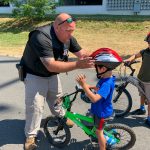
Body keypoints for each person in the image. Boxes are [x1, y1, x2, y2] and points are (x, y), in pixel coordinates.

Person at [20, 13, 95, 150]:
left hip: (52, 75)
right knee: (35, 107)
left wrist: (97, 57)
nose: (70, 34)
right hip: (34, 75)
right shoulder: (40, 36)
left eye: (72, 30)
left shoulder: (68, 37)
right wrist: (78, 64)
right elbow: (51, 65)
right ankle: (31, 135)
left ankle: (61, 117)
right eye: (68, 30)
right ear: (56, 26)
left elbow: (82, 54)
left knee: (57, 99)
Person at [76, 48, 122, 150]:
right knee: (92, 123)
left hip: (102, 113)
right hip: (100, 110)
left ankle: (102, 148)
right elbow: (98, 88)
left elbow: (94, 99)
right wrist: (88, 86)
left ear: (103, 68)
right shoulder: (105, 79)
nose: (95, 68)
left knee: (99, 132)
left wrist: (84, 86)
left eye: (96, 66)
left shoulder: (106, 83)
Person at [124, 32, 150, 127]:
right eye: (149, 42)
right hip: (141, 78)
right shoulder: (144, 52)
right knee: (142, 94)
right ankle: (142, 108)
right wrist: (129, 59)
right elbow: (135, 55)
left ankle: (149, 119)